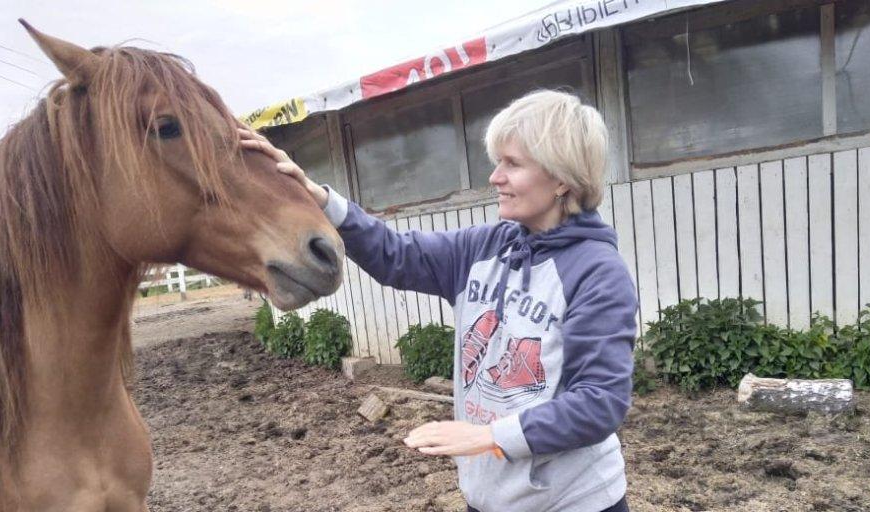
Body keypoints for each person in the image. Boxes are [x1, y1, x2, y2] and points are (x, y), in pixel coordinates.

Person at [241, 90, 637, 512]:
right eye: (497, 161)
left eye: (513, 163)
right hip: (490, 493)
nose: (495, 177)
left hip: (571, 501)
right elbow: (397, 255)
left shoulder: (597, 273)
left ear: (562, 179)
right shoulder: (482, 248)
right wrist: (321, 201)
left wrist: (490, 436)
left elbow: (600, 401)